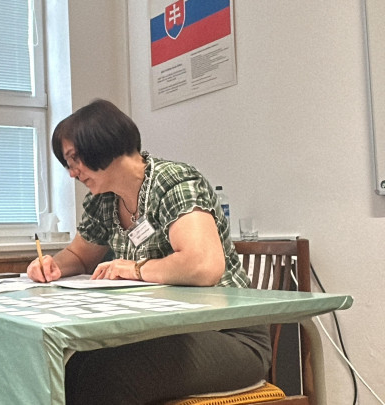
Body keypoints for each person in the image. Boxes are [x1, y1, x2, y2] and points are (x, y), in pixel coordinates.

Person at [27, 99, 272, 404]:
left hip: (227, 334)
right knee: (70, 363)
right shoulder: (103, 199)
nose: (72, 173)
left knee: (108, 376)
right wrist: (52, 265)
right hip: (163, 332)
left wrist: (134, 269)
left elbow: (203, 265)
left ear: (101, 144)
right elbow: (79, 256)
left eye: (74, 160)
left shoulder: (174, 182)